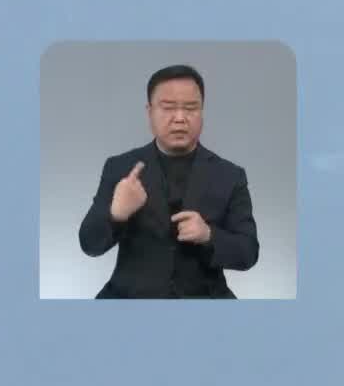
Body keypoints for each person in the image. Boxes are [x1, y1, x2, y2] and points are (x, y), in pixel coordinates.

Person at [77, 64, 259, 297]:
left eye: (191, 108)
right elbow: (89, 244)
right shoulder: (120, 168)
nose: (180, 118)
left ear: (202, 111)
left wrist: (209, 235)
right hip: (130, 300)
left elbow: (248, 252)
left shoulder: (231, 175)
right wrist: (116, 214)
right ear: (149, 111)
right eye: (168, 108)